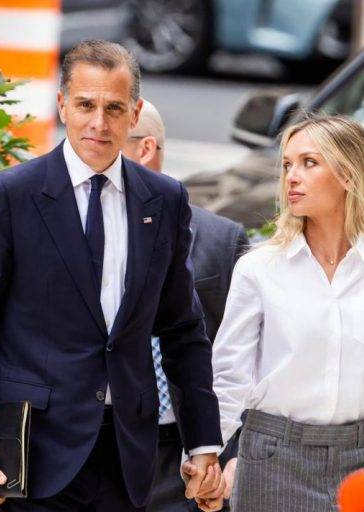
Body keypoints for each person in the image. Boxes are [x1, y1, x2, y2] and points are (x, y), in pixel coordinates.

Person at [0, 40, 224, 512]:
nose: (99, 123)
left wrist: (204, 444)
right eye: (86, 105)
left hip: (127, 455)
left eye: (114, 109)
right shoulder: (9, 196)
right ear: (62, 105)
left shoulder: (165, 200)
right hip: (30, 454)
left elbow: (182, 331)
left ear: (134, 116)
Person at [209, 115, 364, 512]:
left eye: (309, 163)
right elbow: (229, 379)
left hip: (362, 466)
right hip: (273, 461)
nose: (291, 176)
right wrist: (206, 457)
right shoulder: (259, 268)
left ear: (347, 174)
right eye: (288, 164)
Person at [121, 100, 249, 512]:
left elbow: (247, 356)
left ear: (145, 149)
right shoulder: (78, 232)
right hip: (99, 442)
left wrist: (233, 455)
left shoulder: (219, 240)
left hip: (185, 452)